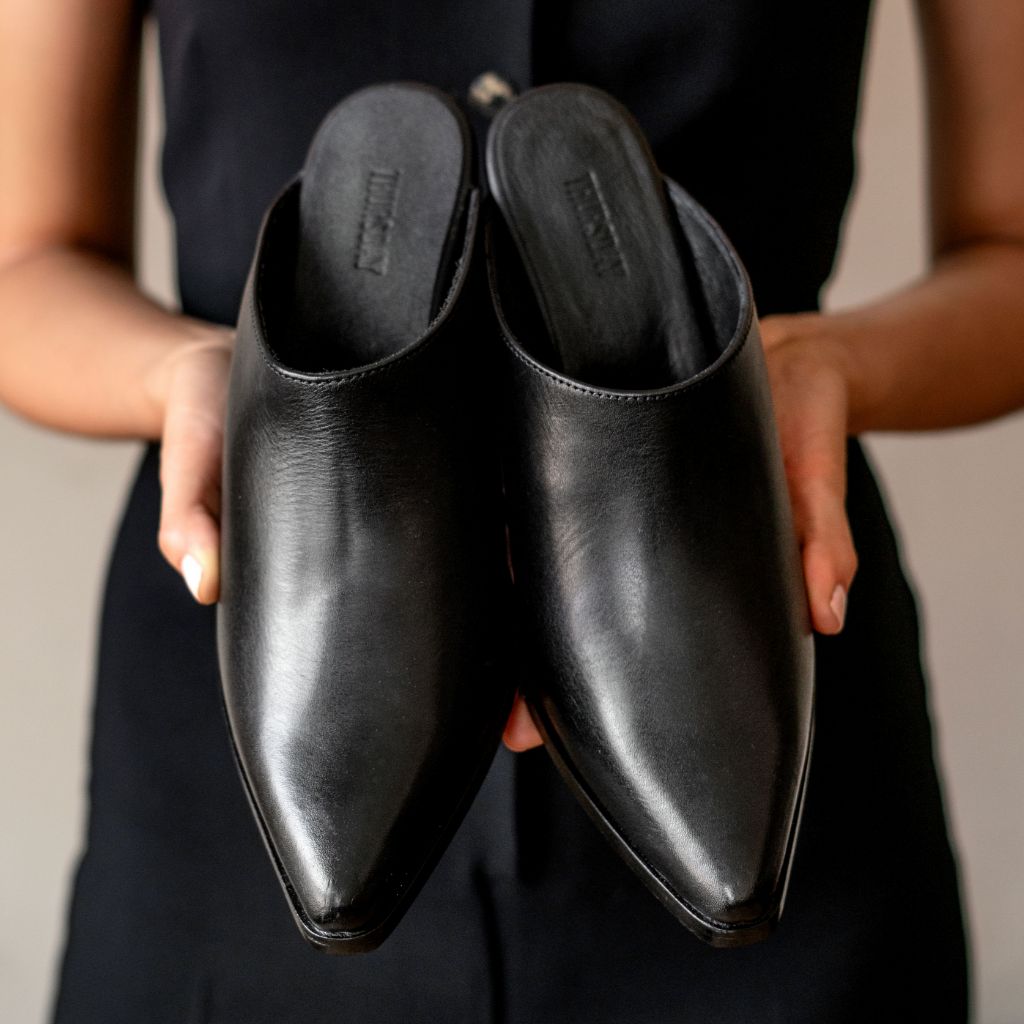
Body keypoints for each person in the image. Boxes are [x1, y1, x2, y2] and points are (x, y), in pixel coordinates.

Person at [2, 0, 1022, 1020]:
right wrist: (194, 376)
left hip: (745, 609)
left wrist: (826, 365)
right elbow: (25, 263)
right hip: (234, 735)